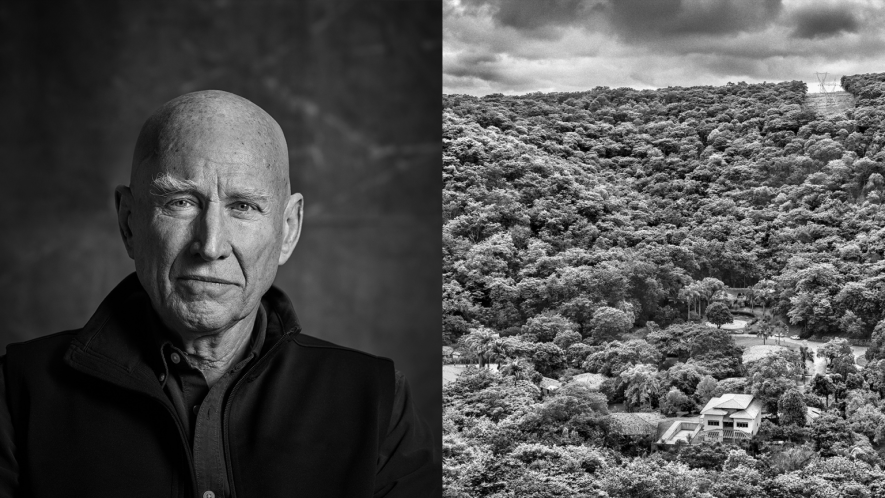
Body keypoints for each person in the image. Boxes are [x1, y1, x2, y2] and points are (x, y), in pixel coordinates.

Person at [0, 90, 439, 497]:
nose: (210, 245)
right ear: (130, 223)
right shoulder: (16, 393)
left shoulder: (376, 398)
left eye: (242, 207)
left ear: (287, 230)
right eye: (180, 202)